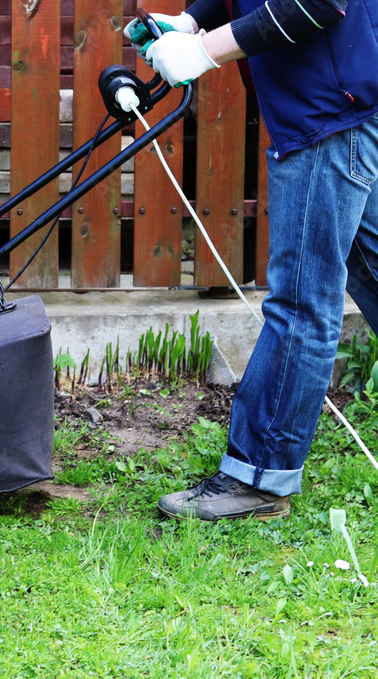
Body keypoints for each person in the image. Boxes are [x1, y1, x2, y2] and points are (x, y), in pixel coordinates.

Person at [124, 0, 378, 520]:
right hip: (336, 103)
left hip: (326, 114)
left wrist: (202, 50)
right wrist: (192, 20)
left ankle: (259, 478)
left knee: (302, 304)